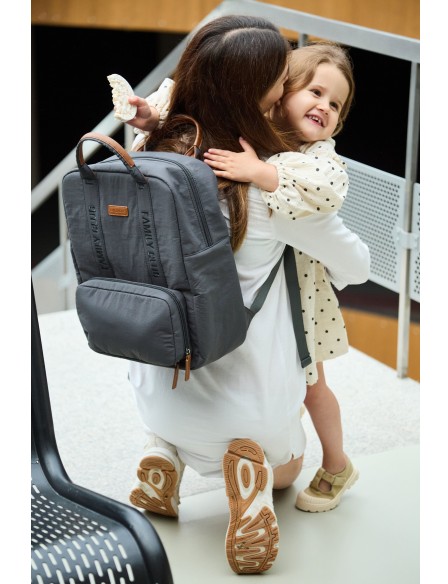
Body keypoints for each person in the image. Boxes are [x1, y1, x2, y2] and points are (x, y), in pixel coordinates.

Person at [119, 17, 370, 575]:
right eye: (284, 83)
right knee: (287, 467)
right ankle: (253, 480)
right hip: (245, 417)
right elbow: (358, 266)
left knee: (175, 425)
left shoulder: (152, 157)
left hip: (156, 390)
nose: (290, 94)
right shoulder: (272, 189)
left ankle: (163, 454)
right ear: (260, 96)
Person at [202, 42, 362, 514]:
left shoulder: (321, 154)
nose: (325, 107)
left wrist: (260, 172)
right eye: (315, 91)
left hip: (300, 292)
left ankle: (337, 464)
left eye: (336, 104)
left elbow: (327, 190)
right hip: (262, 287)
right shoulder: (256, 129)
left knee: (311, 384)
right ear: (281, 92)